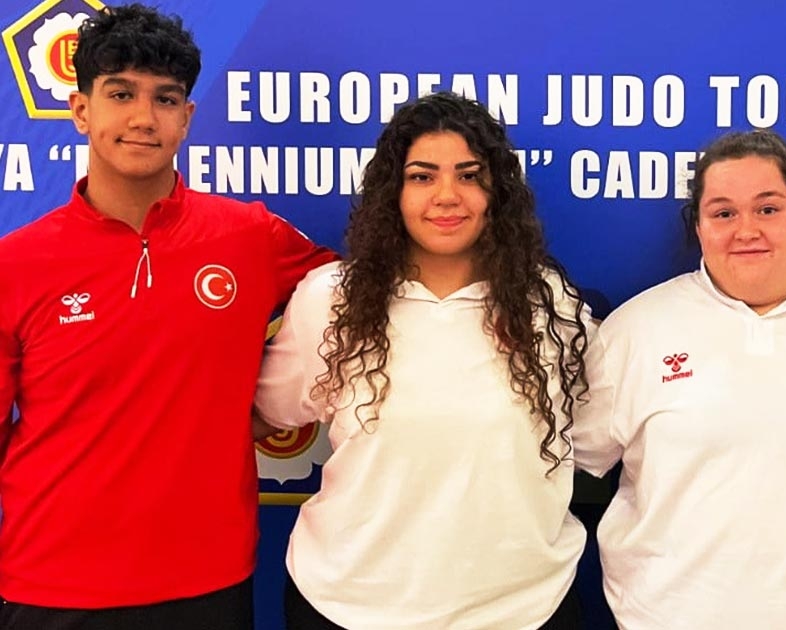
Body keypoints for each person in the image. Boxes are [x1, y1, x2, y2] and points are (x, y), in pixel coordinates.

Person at [0, 4, 336, 628]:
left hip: (209, 581)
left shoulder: (250, 236)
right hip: (51, 585)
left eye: (165, 98)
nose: (142, 117)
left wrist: (271, 403)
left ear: (186, 118)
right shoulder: (15, 264)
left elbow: (362, 295)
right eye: (120, 93)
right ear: (80, 110)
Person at [254, 91, 595, 630]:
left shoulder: (550, 303)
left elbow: (595, 433)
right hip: (350, 606)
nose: (446, 196)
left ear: (497, 191)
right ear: (393, 191)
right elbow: (269, 413)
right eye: (422, 176)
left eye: (469, 175)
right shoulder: (331, 298)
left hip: (522, 609)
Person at [572, 129, 786, 628]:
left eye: (768, 208)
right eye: (723, 213)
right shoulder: (635, 331)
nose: (746, 230)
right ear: (699, 226)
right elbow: (563, 466)